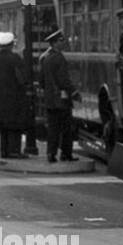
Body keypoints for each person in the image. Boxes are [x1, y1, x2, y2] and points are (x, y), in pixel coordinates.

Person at [0, 32, 30, 159]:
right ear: (11, 45)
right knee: (15, 126)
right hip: (14, 98)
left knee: (3, 127)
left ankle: (4, 151)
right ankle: (14, 151)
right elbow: (21, 78)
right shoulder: (15, 59)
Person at [40, 29, 79, 162]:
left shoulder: (45, 58)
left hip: (50, 100)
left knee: (52, 129)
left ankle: (51, 154)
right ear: (55, 43)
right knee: (66, 128)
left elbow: (41, 81)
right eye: (61, 40)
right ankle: (66, 154)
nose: (63, 43)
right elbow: (64, 80)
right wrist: (73, 92)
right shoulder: (59, 58)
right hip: (61, 100)